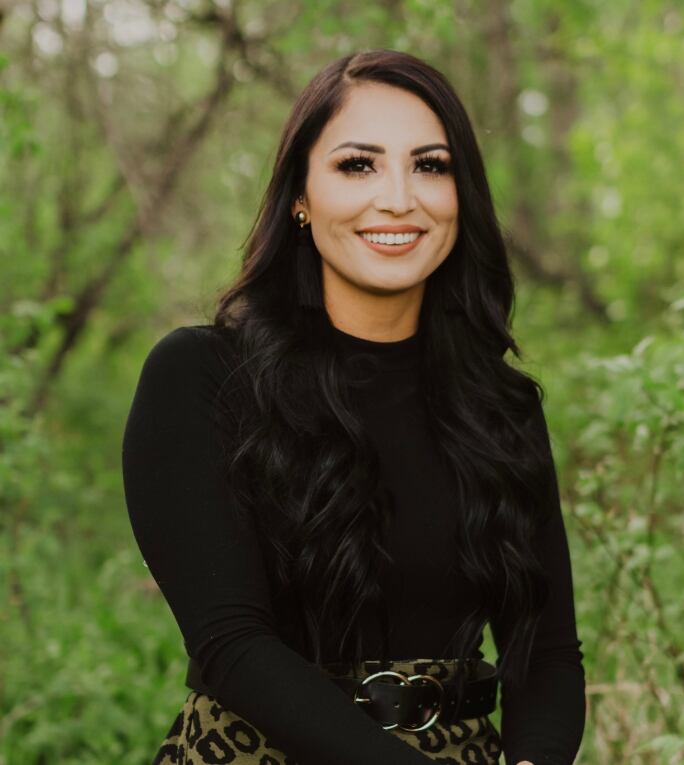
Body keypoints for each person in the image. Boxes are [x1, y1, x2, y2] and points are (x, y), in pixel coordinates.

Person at [121, 48, 586, 765]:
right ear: (300, 196)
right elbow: (233, 645)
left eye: (430, 165)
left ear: (461, 195)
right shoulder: (202, 376)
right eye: (357, 164)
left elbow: (548, 652)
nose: (399, 197)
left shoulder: (502, 406)